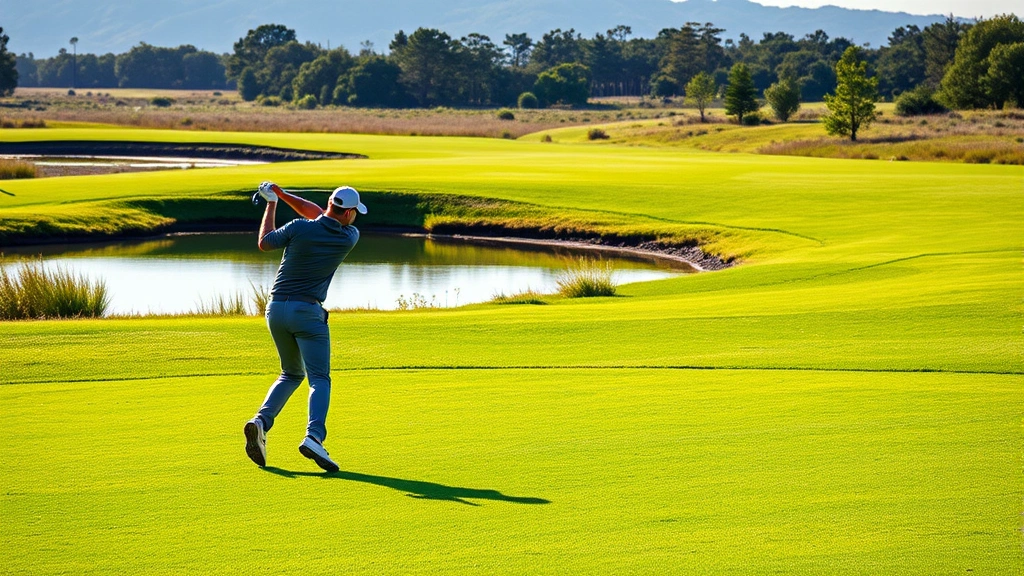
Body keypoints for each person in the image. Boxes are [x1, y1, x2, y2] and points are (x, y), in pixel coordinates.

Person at [244, 181, 367, 472]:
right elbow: (320, 215)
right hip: (308, 313)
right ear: (349, 213)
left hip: (275, 310)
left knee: (290, 373)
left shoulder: (299, 227)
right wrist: (282, 195)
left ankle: (261, 422)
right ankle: (314, 437)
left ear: (330, 204)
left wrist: (273, 201)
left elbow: (265, 242)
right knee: (319, 379)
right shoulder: (350, 236)